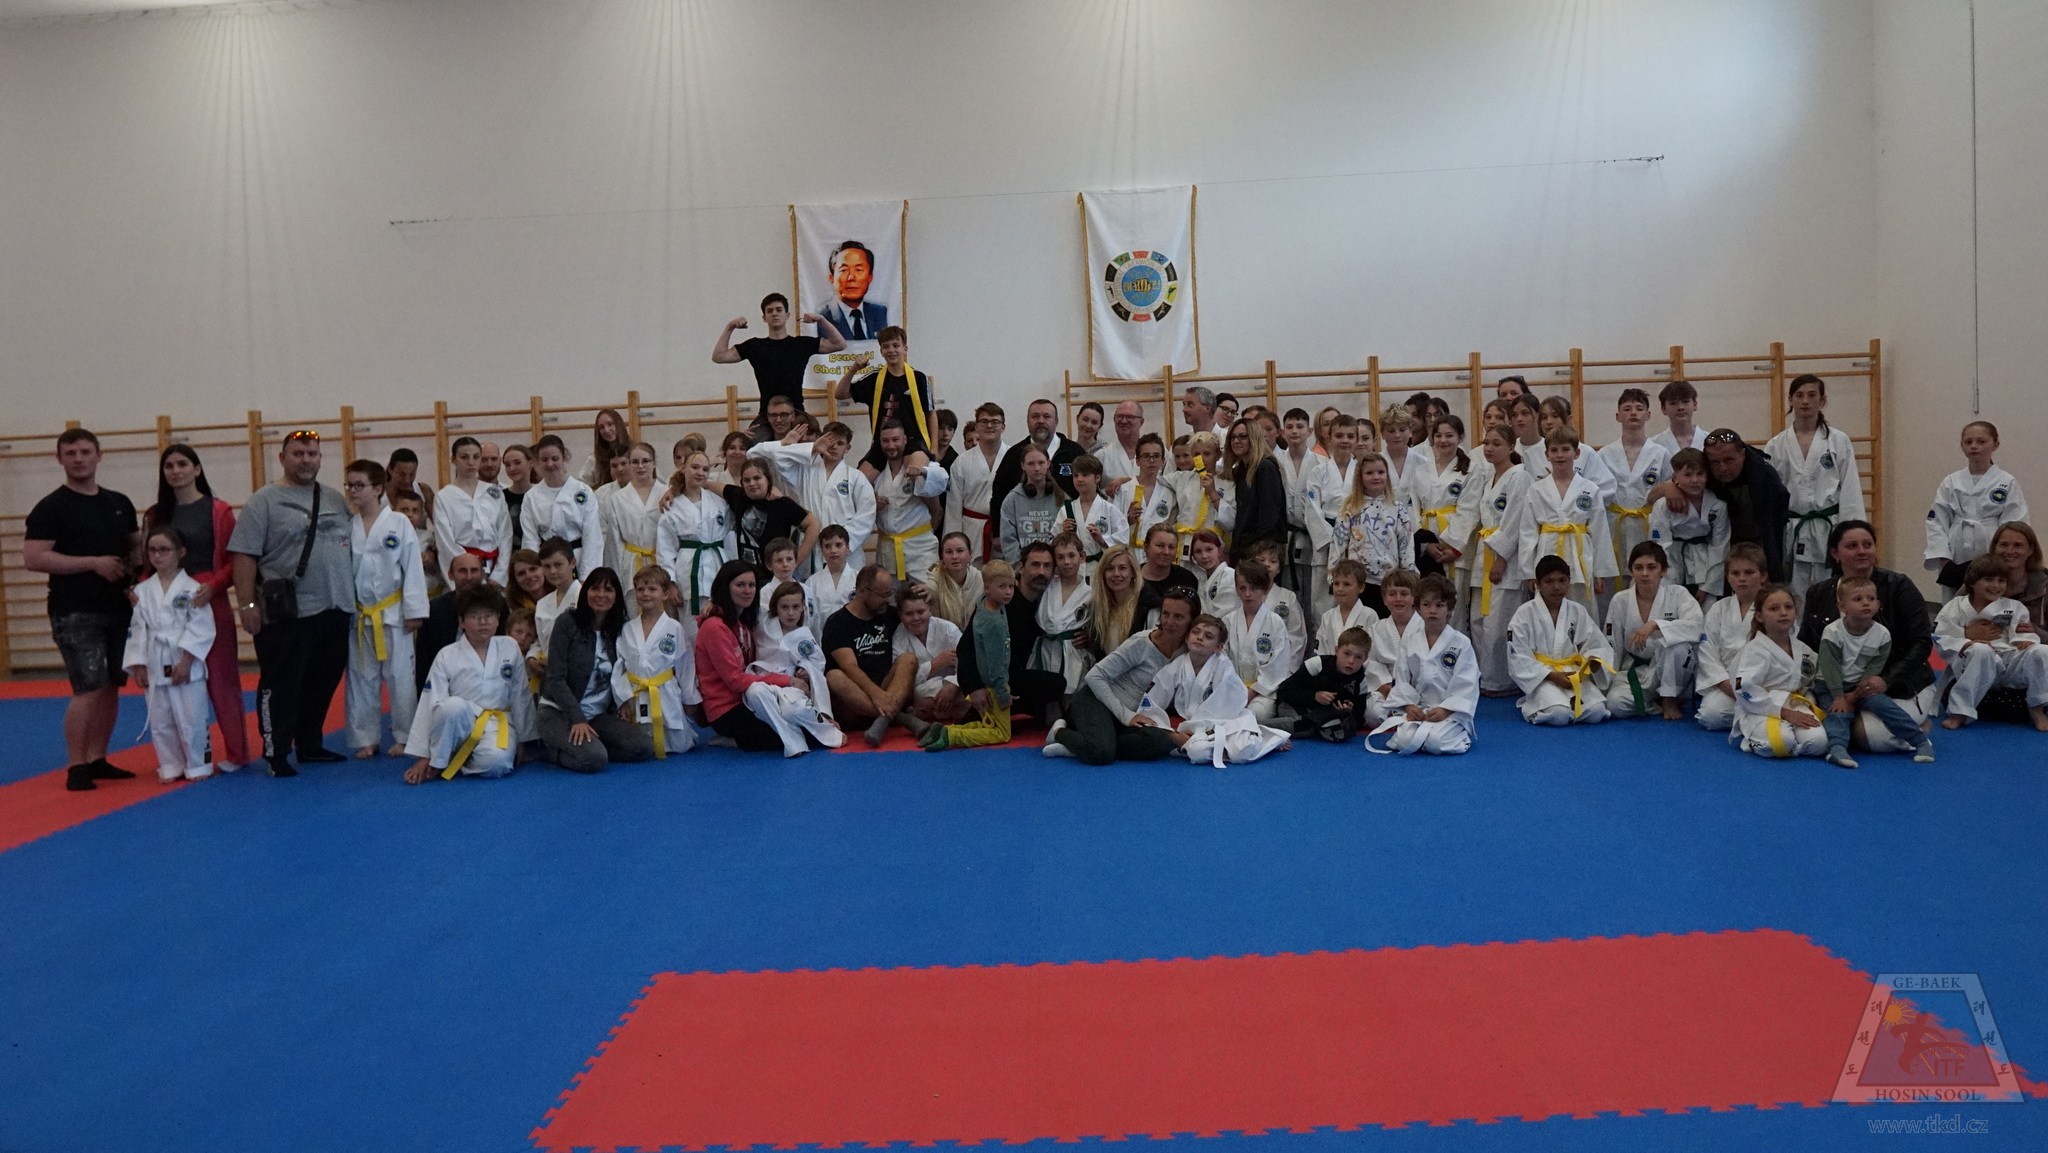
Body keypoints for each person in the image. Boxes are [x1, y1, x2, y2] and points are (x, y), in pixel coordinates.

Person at [229, 429, 354, 778]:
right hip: (288, 611)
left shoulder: (334, 499)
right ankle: (276, 751)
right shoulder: (264, 502)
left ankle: (310, 743)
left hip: (336, 607)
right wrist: (247, 606)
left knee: (323, 681)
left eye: (312, 454)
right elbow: (244, 556)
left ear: (320, 459)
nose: (305, 460)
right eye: (298, 454)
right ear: (283, 458)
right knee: (281, 683)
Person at [24, 429, 143, 790]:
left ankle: (97, 758)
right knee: (88, 686)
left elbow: (136, 548)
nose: (79, 458)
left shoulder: (118, 503)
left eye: (85, 451)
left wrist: (145, 577)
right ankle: (76, 765)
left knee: (111, 685)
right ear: (59, 458)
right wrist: (92, 563)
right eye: (71, 452)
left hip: (117, 608)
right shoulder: (51, 507)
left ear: (98, 455)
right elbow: (34, 558)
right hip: (75, 611)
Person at [145, 443, 248, 774]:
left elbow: (235, 560)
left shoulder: (219, 511)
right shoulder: (155, 515)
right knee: (172, 679)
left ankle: (237, 753)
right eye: (169, 466)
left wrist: (215, 586)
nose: (176, 471)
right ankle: (180, 758)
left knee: (222, 678)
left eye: (182, 464)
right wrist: (140, 593)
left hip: (207, 597)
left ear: (197, 469)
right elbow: (148, 562)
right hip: (166, 602)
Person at [1797, 520, 1936, 752]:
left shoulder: (1899, 586)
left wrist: (1886, 680)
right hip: (1836, 686)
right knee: (1816, 733)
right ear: (1835, 553)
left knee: (1865, 735)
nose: (1862, 551)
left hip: (1899, 683)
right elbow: (1806, 644)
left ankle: (1919, 729)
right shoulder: (1819, 592)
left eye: (1867, 544)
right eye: (1852, 546)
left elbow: (1921, 643)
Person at [1043, 588, 1196, 764]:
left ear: (1192, 620)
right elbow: (1094, 676)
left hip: (1133, 715)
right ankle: (1060, 732)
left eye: (1178, 617)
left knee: (1162, 742)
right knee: (1102, 754)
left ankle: (1084, 745)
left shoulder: (1188, 651)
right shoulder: (1142, 643)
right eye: (1165, 614)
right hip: (1095, 700)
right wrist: (1126, 716)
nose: (1169, 622)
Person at [401, 584, 529, 784]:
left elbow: (520, 695)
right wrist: (425, 754)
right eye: (475, 616)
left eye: (489, 615)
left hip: (496, 723)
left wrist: (523, 739)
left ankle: (457, 758)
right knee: (451, 707)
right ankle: (438, 760)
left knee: (498, 764)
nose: (483, 622)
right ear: (461, 621)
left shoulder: (510, 647)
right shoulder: (446, 655)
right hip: (459, 725)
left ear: (498, 619)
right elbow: (430, 703)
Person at [343, 460, 429, 759]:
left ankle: (405, 736)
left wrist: (414, 610)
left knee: (400, 677)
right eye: (349, 485)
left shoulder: (398, 523)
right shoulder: (349, 526)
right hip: (359, 614)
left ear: (378, 488)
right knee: (360, 678)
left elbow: (412, 567)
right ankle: (366, 738)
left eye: (359, 485)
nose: (353, 491)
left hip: (393, 613)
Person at [533, 568, 656, 773]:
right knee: (594, 759)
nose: (601, 595)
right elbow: (555, 679)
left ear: (617, 596)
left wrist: (623, 700)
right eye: (595, 588)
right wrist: (577, 719)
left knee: (644, 746)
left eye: (608, 590)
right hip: (559, 712)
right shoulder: (566, 623)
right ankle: (554, 752)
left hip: (598, 715)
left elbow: (623, 670)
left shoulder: (619, 628)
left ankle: (590, 747)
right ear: (585, 592)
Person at [123, 526, 218, 783]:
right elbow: (138, 629)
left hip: (185, 661)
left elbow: (201, 628)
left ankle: (198, 765)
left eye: (164, 550)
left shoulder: (194, 589)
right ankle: (170, 765)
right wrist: (138, 665)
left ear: (181, 552)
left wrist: (186, 661)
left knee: (192, 717)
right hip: (155, 660)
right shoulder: (141, 591)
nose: (157, 555)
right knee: (161, 719)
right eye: (152, 550)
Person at [1134, 613, 1290, 767]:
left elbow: (1229, 707)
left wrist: (1195, 730)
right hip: (1195, 729)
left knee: (1242, 749)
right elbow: (1152, 703)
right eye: (1195, 632)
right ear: (1187, 638)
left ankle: (1268, 739)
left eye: (1208, 636)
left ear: (1218, 647)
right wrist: (1173, 734)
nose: (1200, 637)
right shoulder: (1176, 667)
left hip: (1227, 722)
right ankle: (1221, 747)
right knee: (1198, 751)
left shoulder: (1223, 667)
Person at [1817, 576, 1937, 766]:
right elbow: (1829, 667)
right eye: (1858, 599)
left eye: (1871, 599)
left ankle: (1920, 741)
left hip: (1860, 685)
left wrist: (1857, 694)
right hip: (1830, 685)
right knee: (1839, 713)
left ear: (1878, 604)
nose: (1866, 603)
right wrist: (1839, 696)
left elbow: (1874, 667)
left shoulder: (1882, 634)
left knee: (1886, 707)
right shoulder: (1833, 632)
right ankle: (1837, 748)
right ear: (1842, 606)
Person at [1765, 374, 1865, 598]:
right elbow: (1770, 497)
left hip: (1828, 527)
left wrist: (1852, 535)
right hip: (1791, 527)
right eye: (1799, 395)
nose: (1805, 401)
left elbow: (1850, 490)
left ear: (1822, 400)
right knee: (1793, 591)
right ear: (1790, 399)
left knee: (1833, 588)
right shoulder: (1776, 445)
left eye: (1812, 395)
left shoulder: (1838, 441)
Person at [1366, 574, 1480, 755]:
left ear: (1449, 609)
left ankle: (1459, 733)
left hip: (1449, 710)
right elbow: (1402, 679)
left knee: (1436, 741)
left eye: (1439, 605)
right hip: (1419, 708)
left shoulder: (1461, 643)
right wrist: (1408, 707)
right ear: (1418, 608)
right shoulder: (1410, 641)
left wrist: (1445, 709)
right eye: (1426, 605)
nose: (1432, 611)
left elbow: (1467, 683)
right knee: (1404, 740)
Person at [1934, 556, 2048, 732]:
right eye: (1988, 579)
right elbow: (1941, 635)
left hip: (2010, 661)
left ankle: (2037, 707)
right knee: (1981, 650)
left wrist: (2027, 640)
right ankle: (1960, 711)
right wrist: (1966, 641)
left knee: (2042, 651)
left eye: (2001, 580)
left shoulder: (2013, 606)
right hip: (1976, 663)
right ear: (1972, 582)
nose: (1996, 585)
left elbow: (2023, 631)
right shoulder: (1956, 605)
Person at [750, 420, 875, 571]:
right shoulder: (804, 470)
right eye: (830, 441)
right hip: (812, 546)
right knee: (811, 584)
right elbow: (778, 457)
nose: (834, 446)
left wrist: (843, 542)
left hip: (846, 549)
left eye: (840, 443)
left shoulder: (856, 477)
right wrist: (813, 448)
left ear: (847, 448)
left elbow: (866, 514)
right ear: (821, 440)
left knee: (848, 584)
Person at [920, 560, 1018, 752]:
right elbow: (996, 663)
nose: (1008, 592)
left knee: (990, 724)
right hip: (994, 683)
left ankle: (946, 730)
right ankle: (951, 735)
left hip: (988, 680)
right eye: (1002, 587)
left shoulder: (984, 604)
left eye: (1011, 587)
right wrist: (1003, 693)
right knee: (1001, 733)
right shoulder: (994, 624)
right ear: (987, 588)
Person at [713, 292, 846, 433]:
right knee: (753, 444)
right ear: (764, 318)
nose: (774, 314)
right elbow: (719, 356)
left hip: (796, 413)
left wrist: (821, 320)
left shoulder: (801, 344)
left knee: (812, 441)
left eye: (779, 310)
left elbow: (839, 344)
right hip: (767, 415)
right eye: (769, 311)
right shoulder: (755, 346)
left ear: (787, 315)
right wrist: (730, 327)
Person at [1508, 555, 1615, 726]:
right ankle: (1542, 705)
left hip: (1572, 673)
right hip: (1543, 675)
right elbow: (1518, 655)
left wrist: (1593, 661)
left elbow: (1595, 643)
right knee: (1559, 715)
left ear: (1569, 582)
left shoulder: (1577, 610)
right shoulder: (1524, 614)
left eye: (1562, 580)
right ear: (1537, 584)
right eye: (1549, 581)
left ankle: (1567, 704)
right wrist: (1551, 675)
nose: (1556, 587)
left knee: (1597, 712)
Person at [1925, 420, 2029, 597]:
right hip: (1956, 551)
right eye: (1968, 442)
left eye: (1981, 441)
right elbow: (1936, 522)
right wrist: (1945, 560)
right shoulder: (1951, 482)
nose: (1974, 446)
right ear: (1962, 446)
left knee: (1990, 595)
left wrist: (2001, 557)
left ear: (1995, 444)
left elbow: (2015, 525)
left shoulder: (2006, 482)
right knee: (1955, 601)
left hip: (1991, 547)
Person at [1601, 542, 1702, 721]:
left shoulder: (1678, 594)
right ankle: (1655, 704)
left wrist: (1656, 624)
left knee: (1677, 646)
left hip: (1673, 671)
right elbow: (1612, 645)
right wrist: (1606, 683)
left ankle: (1670, 698)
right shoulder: (1620, 600)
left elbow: (1696, 626)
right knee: (1615, 704)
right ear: (1631, 571)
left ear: (1664, 570)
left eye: (1651, 567)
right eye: (1638, 568)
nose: (1644, 573)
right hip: (1636, 669)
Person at [1517, 427, 1617, 608]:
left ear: (1576, 453)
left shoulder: (1590, 489)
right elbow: (1528, 533)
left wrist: (1600, 572)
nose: (1559, 455)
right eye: (1554, 450)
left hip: (1579, 553)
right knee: (1547, 607)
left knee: (1582, 605)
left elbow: (1599, 531)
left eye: (1565, 449)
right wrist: (1529, 572)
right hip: (1547, 551)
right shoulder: (1536, 489)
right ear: (1546, 454)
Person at [823, 564, 920, 745]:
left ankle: (882, 719)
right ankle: (900, 718)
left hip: (889, 690)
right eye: (882, 595)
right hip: (855, 701)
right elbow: (849, 667)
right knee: (834, 676)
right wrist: (877, 695)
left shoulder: (889, 614)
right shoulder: (837, 622)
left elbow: (920, 618)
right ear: (861, 591)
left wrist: (931, 595)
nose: (887, 599)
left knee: (908, 659)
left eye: (889, 593)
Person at [1729, 585, 1827, 760]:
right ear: (1760, 616)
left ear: (1796, 613)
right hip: (1759, 708)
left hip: (1793, 702)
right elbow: (1744, 688)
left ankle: (1789, 741)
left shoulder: (1803, 650)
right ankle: (1753, 739)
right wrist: (1785, 714)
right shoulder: (1755, 650)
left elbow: (1813, 678)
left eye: (1788, 607)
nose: (1783, 613)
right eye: (1774, 609)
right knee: (1781, 743)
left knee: (1818, 744)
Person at [1465, 426, 1529, 695]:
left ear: (1511, 447)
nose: (1489, 448)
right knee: (1479, 621)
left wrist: (1501, 558)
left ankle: (1504, 680)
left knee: (1501, 623)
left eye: (1497, 443)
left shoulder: (1519, 476)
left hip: (1506, 558)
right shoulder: (1489, 476)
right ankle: (1485, 676)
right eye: (1486, 443)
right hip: (1484, 551)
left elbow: (1514, 521)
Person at [611, 566, 700, 758]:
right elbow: (620, 667)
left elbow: (685, 666)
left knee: (678, 744)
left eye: (652, 589)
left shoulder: (674, 628)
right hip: (636, 693)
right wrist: (622, 699)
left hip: (665, 692)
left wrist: (689, 699)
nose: (646, 594)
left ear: (665, 594)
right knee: (638, 745)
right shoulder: (628, 628)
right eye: (640, 589)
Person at [837, 326, 938, 475]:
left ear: (905, 349)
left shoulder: (919, 378)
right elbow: (840, 394)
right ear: (881, 351)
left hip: (913, 441)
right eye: (886, 347)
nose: (891, 350)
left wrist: (934, 448)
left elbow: (930, 413)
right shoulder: (874, 378)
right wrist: (853, 369)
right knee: (858, 482)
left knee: (917, 475)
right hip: (883, 443)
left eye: (896, 345)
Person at [1598, 389, 1672, 586]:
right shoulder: (1604, 454)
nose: (1633, 413)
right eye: (1627, 408)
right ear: (1618, 416)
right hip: (1615, 524)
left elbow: (1670, 489)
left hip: (1648, 523)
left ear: (1648, 415)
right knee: (1614, 581)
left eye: (1639, 408)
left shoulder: (1661, 453)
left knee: (1647, 574)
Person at [1704, 427, 1792, 584]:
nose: (1722, 468)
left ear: (1743, 455)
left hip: (1758, 546)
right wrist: (1672, 488)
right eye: (1715, 462)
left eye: (1729, 460)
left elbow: (1771, 536)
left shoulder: (1764, 478)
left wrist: (1770, 576)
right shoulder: (1702, 473)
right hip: (1714, 549)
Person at [1696, 543, 1767, 732]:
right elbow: (1707, 651)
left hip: (1762, 684)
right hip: (1726, 683)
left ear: (1763, 576)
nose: (1741, 578)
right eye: (1735, 573)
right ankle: (1760, 717)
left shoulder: (1774, 607)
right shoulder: (1718, 609)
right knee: (1710, 715)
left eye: (1749, 572)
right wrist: (1725, 684)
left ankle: (1758, 713)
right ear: (1727, 577)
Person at [1331, 451, 1413, 614]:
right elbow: (1338, 544)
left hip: (1389, 581)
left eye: (1381, 472)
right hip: (1359, 582)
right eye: (1369, 473)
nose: (1376, 477)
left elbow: (1406, 544)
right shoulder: (1350, 508)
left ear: (1387, 475)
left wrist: (1409, 576)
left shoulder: (1397, 509)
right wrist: (1334, 576)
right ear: (1360, 477)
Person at [990, 398, 1085, 534]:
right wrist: (996, 533)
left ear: (1056, 421)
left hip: (1068, 533)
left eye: (1047, 416)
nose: (1041, 421)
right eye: (1035, 416)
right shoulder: (1014, 455)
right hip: (1025, 533)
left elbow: (1088, 493)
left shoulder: (1074, 452)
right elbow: (999, 496)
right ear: (1027, 421)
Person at [655, 450, 732, 617]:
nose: (700, 472)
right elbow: (665, 550)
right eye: (695, 467)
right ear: (683, 468)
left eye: (705, 469)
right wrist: (671, 583)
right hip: (688, 573)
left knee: (720, 620)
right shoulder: (672, 506)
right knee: (690, 624)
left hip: (718, 566)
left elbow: (729, 537)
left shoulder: (719, 501)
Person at [519, 435, 605, 580]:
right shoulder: (531, 497)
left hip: (577, 559)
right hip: (546, 564)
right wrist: (536, 573)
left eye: (555, 459)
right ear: (537, 461)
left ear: (564, 457)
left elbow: (592, 537)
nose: (550, 464)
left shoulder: (583, 491)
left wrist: (587, 576)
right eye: (544, 460)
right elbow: (530, 540)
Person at [1647, 448, 1730, 598]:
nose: (1695, 480)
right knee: (1671, 603)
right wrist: (1668, 582)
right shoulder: (1663, 505)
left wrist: (1708, 587)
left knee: (1707, 606)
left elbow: (1720, 547)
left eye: (1700, 474)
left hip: (1705, 564)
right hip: (1671, 561)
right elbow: (1660, 546)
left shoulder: (1718, 505)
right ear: (1675, 477)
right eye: (1687, 475)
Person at [873, 422, 950, 581]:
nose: (891, 445)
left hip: (920, 548)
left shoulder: (916, 465)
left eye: (895, 439)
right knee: (890, 594)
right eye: (885, 441)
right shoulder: (877, 473)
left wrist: (923, 471)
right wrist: (874, 505)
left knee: (928, 592)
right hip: (887, 548)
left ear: (905, 440)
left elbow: (942, 481)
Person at [432, 436, 513, 585]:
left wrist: (499, 575)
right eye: (464, 457)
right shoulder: (444, 496)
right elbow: (445, 541)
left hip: (495, 565)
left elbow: (505, 534)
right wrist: (468, 569)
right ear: (453, 459)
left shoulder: (493, 492)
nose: (471, 462)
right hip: (464, 570)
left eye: (476, 457)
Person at [1224, 562, 1297, 725]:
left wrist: (1250, 693)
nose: (1247, 594)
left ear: (1264, 589)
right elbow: (1222, 659)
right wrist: (1235, 690)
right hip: (1233, 687)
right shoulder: (1228, 621)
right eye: (1242, 588)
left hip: (1264, 692)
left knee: (1256, 714)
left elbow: (1277, 666)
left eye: (1254, 588)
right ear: (1236, 589)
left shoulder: (1275, 623)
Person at [1006, 542, 1069, 726]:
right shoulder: (1004, 599)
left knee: (1057, 685)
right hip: (992, 677)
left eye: (1047, 566)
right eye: (1035, 565)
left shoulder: (1044, 604)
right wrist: (975, 687)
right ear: (1021, 568)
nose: (1041, 572)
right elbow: (970, 645)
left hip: (1018, 675)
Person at [723, 458, 819, 575]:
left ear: (768, 479)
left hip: (775, 576)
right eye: (746, 480)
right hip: (747, 576)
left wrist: (797, 560)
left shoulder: (782, 504)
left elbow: (813, 524)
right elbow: (712, 485)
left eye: (757, 478)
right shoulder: (739, 497)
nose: (752, 483)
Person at [891, 583, 965, 736]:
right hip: (921, 691)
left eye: (921, 611)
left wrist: (953, 684)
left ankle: (928, 712)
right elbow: (902, 681)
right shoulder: (898, 637)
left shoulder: (947, 629)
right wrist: (934, 664)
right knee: (919, 692)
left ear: (930, 609)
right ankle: (955, 710)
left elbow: (968, 664)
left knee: (974, 687)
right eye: (909, 614)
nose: (916, 618)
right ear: (900, 615)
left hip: (957, 687)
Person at [1278, 625, 1371, 742]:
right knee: (1307, 726)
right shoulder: (1317, 665)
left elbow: (1359, 720)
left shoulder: (1361, 681)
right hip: (1292, 705)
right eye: (1347, 653)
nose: (1351, 661)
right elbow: (1284, 691)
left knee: (1339, 728)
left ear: (1365, 659)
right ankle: (1262, 727)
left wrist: (1349, 712)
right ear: (1336, 650)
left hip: (1321, 715)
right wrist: (1314, 696)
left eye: (1358, 657)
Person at [414, 551, 486, 692]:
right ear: (450, 574)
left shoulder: (497, 606)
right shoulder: (434, 609)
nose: (469, 577)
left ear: (482, 574)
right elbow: (424, 659)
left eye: (474, 571)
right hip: (444, 684)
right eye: (463, 571)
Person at [1220, 418, 1287, 563]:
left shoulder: (1265, 467)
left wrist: (1257, 549)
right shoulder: (1240, 470)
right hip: (1243, 545)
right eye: (1233, 437)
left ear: (1254, 438)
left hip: (1261, 550)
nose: (1236, 441)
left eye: (1243, 437)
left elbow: (1269, 514)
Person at [1034, 533, 1094, 694]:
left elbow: (1097, 625)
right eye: (1060, 557)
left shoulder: (1091, 593)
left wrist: (1089, 635)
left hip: (1074, 654)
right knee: (1044, 696)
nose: (1066, 562)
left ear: (1082, 557)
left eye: (1071, 556)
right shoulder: (1046, 586)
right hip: (1044, 649)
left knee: (1071, 696)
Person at [952, 403, 1009, 562]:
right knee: (972, 574)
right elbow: (953, 507)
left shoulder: (1013, 456)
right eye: (984, 421)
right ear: (977, 426)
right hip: (972, 530)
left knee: (1004, 574)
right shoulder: (961, 461)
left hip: (1005, 530)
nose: (989, 426)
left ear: (1003, 427)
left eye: (995, 421)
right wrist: (954, 543)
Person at [603, 441, 664, 578]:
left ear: (654, 463)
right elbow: (615, 542)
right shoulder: (618, 498)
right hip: (630, 565)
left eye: (645, 461)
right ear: (629, 464)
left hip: (661, 561)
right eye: (635, 462)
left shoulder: (665, 493)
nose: (640, 466)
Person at [1057, 455, 1126, 571]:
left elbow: (1123, 543)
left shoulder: (1109, 509)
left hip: (1101, 568)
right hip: (1074, 570)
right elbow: (1054, 542)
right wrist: (1062, 532)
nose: (1079, 479)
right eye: (1076, 475)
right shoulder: (1067, 509)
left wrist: (1102, 540)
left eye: (1085, 475)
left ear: (1097, 478)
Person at [998, 443, 1063, 566]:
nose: (1036, 468)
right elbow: (1008, 540)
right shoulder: (1012, 500)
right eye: (1031, 464)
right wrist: (1021, 567)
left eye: (1041, 463)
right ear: (1023, 465)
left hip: (1053, 567)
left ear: (1048, 464)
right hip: (1022, 568)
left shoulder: (1061, 498)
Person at [817, 240, 887, 340]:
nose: (851, 277)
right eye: (844, 270)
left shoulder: (880, 313)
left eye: (859, 270)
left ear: (870, 277)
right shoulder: (821, 317)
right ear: (831, 278)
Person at [1131, 525, 1198, 628]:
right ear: (1146, 547)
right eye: (1160, 546)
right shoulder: (1132, 578)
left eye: (1171, 547)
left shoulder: (1187, 579)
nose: (1166, 552)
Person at [1123, 434, 1177, 550]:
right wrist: (1128, 519)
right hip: (1129, 552)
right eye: (1146, 456)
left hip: (1159, 553)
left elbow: (1172, 528)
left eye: (1156, 456)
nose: (1152, 460)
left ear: (1163, 461)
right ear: (1137, 461)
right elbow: (1114, 526)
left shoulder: (1169, 493)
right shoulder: (1123, 490)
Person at [1989, 523, 2048, 627]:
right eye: (2003, 544)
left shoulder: (2045, 586)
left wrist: (2035, 631)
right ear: (1994, 547)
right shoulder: (1977, 578)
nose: (2009, 551)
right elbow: (1957, 614)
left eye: (2017, 545)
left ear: (2031, 549)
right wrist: (1967, 631)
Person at [530, 538, 583, 652]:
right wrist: (532, 656)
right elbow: (541, 642)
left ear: (572, 563)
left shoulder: (584, 598)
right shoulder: (542, 603)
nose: (552, 571)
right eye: (547, 566)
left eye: (558, 564)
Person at [1317, 559, 1379, 657]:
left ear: (1361, 587)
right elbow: (1321, 652)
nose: (1340, 589)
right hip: (1331, 665)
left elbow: (1374, 651)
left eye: (1346, 584)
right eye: (1336, 583)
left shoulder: (1370, 615)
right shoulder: (1327, 617)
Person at [928, 531, 984, 631]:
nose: (954, 556)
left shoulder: (981, 579)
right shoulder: (933, 583)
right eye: (949, 552)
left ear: (970, 554)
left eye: (960, 551)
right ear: (942, 556)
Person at [806, 525, 859, 622]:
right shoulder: (811, 582)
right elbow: (809, 618)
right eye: (827, 546)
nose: (833, 551)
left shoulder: (858, 578)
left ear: (847, 548)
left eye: (838, 545)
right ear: (822, 550)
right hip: (821, 631)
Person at [575, 408, 633, 489]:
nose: (606, 430)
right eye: (601, 427)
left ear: (619, 424)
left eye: (610, 424)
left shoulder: (636, 452)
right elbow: (580, 485)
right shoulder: (594, 459)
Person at [1188, 529, 1238, 621]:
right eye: (1198, 551)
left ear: (1220, 551)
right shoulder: (1201, 580)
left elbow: (1226, 616)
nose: (1204, 556)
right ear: (1193, 556)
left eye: (1209, 549)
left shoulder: (1230, 576)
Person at [1649, 379, 1706, 455]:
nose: (1680, 407)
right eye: (1673, 403)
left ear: (1695, 405)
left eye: (1685, 401)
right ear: (1663, 409)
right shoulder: (1654, 444)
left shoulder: (1708, 440)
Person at [499, 444, 533, 552]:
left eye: (517, 463)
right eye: (507, 465)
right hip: (508, 556)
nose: (512, 468)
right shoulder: (500, 497)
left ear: (530, 463)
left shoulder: (540, 495)